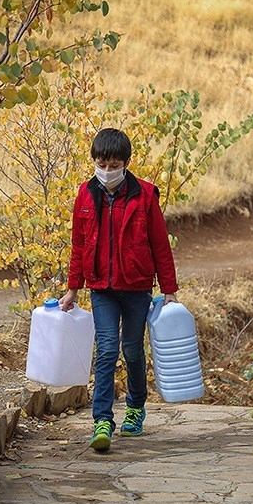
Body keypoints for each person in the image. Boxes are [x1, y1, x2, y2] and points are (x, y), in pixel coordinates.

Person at [59, 128, 179, 452]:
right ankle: (102, 420)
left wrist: (169, 290)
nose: (107, 171)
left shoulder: (145, 195)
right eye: (102, 163)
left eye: (114, 165)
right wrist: (73, 288)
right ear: (95, 162)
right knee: (107, 349)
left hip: (137, 286)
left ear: (125, 163)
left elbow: (160, 246)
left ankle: (136, 407)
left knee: (133, 351)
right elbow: (78, 245)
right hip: (101, 287)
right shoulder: (85, 195)